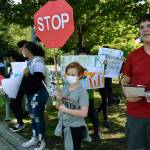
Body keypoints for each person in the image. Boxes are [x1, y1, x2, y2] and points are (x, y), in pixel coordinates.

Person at [122, 14, 150, 150]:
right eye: (142, 27)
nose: (145, 30)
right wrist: (127, 94)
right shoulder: (133, 56)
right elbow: (125, 82)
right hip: (136, 114)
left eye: (149, 26)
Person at [55, 62, 91, 150]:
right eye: (68, 74)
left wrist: (65, 109)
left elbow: (84, 113)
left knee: (74, 147)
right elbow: (58, 106)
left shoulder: (82, 92)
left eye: (73, 75)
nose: (70, 77)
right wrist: (57, 99)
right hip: (63, 123)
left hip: (75, 127)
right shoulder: (65, 87)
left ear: (80, 75)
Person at [21, 42, 49, 150]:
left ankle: (41, 141)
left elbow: (38, 81)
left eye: (23, 48)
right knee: (33, 116)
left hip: (38, 93)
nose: (22, 50)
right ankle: (34, 137)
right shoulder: (30, 61)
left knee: (38, 116)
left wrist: (27, 75)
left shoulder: (38, 61)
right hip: (30, 94)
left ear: (28, 50)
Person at [77, 47, 100, 140]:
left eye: (84, 56)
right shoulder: (75, 64)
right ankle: (81, 132)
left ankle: (96, 131)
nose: (82, 58)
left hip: (88, 95)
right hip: (77, 94)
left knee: (91, 113)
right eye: (80, 56)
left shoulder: (92, 65)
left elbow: (96, 75)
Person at [2, 49, 25, 131]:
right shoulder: (15, 65)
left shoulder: (19, 65)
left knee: (14, 105)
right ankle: (19, 122)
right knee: (14, 105)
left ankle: (20, 123)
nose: (6, 61)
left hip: (19, 88)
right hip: (16, 88)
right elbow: (10, 76)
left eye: (6, 59)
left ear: (11, 58)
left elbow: (20, 76)